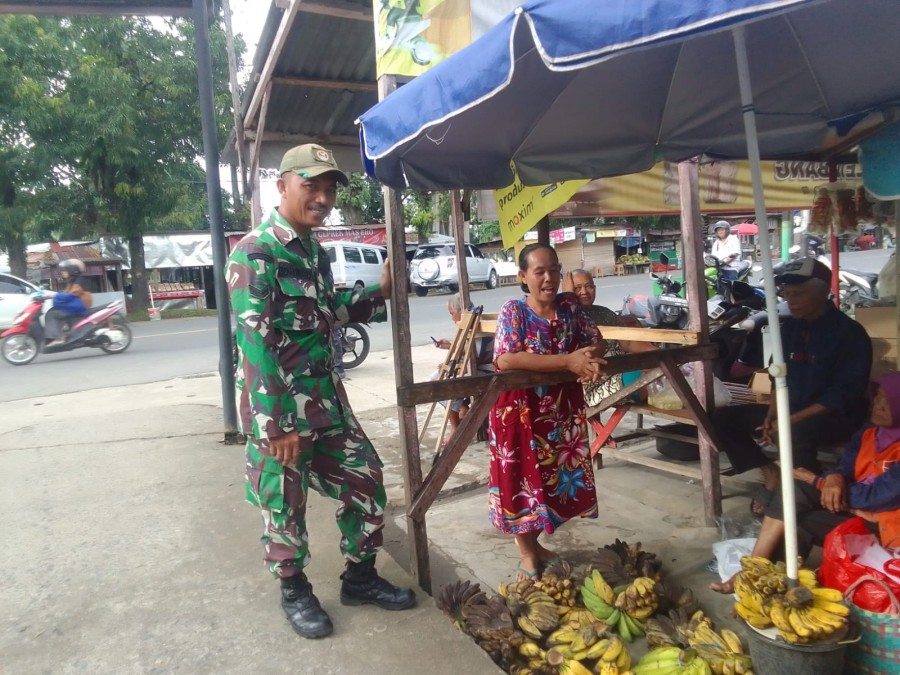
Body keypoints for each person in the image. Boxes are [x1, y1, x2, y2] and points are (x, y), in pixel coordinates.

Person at [226, 144, 415, 640]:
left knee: (367, 479)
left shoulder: (312, 251)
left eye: (330, 188)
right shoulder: (255, 252)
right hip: (283, 411)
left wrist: (378, 291)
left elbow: (326, 313)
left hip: (326, 403)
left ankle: (360, 577)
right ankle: (293, 588)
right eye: (312, 185)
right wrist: (277, 425)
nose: (324, 197)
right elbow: (256, 344)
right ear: (282, 186)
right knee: (285, 504)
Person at [711, 372, 900, 593]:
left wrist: (817, 481)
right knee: (795, 514)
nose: (878, 404)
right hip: (859, 512)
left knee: (803, 487)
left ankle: (752, 572)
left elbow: (873, 497)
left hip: (887, 529)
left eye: (888, 400)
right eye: (877, 397)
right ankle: (763, 581)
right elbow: (846, 466)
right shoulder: (869, 433)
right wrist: (834, 476)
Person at [712, 258, 872, 516]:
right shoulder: (790, 329)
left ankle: (807, 498)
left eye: (800, 294)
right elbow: (778, 376)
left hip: (836, 417)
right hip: (792, 409)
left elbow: (844, 394)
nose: (792, 300)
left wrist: (789, 419)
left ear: (823, 293)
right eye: (787, 294)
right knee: (723, 419)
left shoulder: (849, 333)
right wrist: (772, 413)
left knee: (794, 433)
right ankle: (771, 473)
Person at [489, 244, 606, 580]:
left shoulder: (570, 307)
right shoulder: (515, 311)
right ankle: (527, 553)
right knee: (521, 481)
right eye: (539, 272)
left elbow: (596, 340)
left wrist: (587, 356)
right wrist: (568, 361)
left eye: (553, 270)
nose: (548, 278)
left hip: (560, 412)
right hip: (520, 412)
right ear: (523, 277)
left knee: (552, 482)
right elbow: (506, 358)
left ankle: (537, 545)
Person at [562, 269, 656, 405]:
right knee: (646, 380)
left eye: (589, 286)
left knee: (660, 372)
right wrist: (568, 299)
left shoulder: (604, 313)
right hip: (591, 384)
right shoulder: (564, 317)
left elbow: (628, 342)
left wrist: (656, 353)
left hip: (619, 370)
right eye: (577, 288)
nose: (584, 292)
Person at [430, 293, 494, 444]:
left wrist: (455, 366)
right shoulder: (466, 326)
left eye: (452, 313)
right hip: (473, 367)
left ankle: (455, 428)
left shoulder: (477, 327)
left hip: (486, 371)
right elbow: (466, 352)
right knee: (435, 378)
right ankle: (463, 409)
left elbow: (474, 359)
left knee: (451, 383)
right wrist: (450, 348)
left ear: (461, 311)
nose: (452, 318)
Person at [45, 259, 93, 346]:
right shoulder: (72, 280)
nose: (62, 272)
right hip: (76, 304)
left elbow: (70, 295)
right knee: (54, 309)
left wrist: (54, 296)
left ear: (72, 270)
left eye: (64, 270)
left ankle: (58, 338)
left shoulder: (79, 281)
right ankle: (64, 331)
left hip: (80, 305)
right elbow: (65, 293)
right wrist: (52, 295)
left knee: (51, 315)